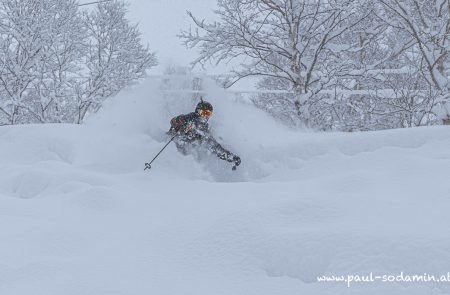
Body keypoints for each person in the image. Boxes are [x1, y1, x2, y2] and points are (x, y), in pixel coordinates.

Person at [167, 99, 241, 170]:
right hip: (172, 148)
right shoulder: (188, 118)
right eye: (203, 113)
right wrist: (182, 123)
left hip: (187, 156)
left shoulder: (204, 130)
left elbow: (215, 147)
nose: (205, 116)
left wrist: (231, 157)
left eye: (208, 114)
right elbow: (173, 122)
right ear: (197, 111)